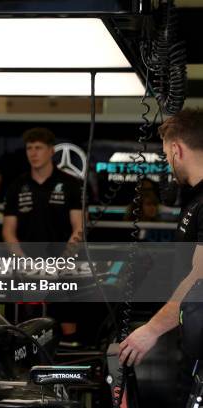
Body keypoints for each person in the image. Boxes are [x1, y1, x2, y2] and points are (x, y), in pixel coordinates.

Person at [119, 109, 203, 403]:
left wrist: (151, 330)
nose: (168, 163)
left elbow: (199, 277)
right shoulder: (194, 198)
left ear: (177, 149)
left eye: (167, 154)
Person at [2, 127, 83, 340]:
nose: (33, 153)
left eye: (39, 148)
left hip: (62, 265)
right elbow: (8, 231)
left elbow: (79, 228)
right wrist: (24, 262)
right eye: (30, 148)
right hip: (26, 266)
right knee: (23, 326)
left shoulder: (70, 184)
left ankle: (66, 367)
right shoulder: (17, 186)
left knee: (67, 325)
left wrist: (64, 260)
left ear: (51, 151)